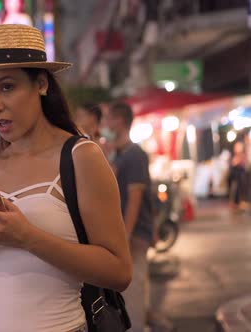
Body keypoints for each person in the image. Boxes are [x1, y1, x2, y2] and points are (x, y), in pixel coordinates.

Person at [0, 24, 132, 332]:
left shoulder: (80, 157)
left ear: (41, 83)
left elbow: (119, 272)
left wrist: (26, 237)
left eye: (7, 87)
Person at [101, 102, 155, 332]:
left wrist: (125, 236)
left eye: (108, 119)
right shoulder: (120, 154)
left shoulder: (134, 155)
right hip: (127, 234)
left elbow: (134, 198)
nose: (105, 125)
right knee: (131, 294)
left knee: (133, 296)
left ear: (119, 121)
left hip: (133, 234)